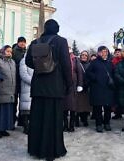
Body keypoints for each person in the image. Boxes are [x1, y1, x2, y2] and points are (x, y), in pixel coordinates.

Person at [25, 19, 73, 160]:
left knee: (37, 118)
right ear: (56, 29)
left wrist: (41, 67)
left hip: (38, 85)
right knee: (53, 119)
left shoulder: (35, 42)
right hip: (55, 85)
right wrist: (69, 83)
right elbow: (66, 64)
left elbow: (28, 61)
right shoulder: (61, 41)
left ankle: (35, 149)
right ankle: (52, 150)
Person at [86, 46, 115, 133]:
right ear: (98, 53)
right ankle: (98, 124)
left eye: (105, 51)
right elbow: (88, 73)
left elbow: (113, 74)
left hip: (108, 88)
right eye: (102, 51)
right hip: (97, 88)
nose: (104, 53)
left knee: (107, 107)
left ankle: (107, 123)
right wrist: (95, 78)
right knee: (98, 108)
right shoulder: (94, 62)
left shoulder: (110, 63)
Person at [63, 47, 83, 132]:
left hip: (73, 86)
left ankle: (71, 125)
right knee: (64, 108)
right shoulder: (61, 58)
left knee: (72, 107)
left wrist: (80, 84)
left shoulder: (75, 59)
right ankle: (65, 125)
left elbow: (79, 73)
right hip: (63, 86)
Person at [12, 36, 27, 127]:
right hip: (16, 77)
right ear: (18, 43)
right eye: (21, 42)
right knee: (14, 100)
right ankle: (12, 120)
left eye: (24, 42)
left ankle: (22, 120)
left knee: (23, 100)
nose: (22, 43)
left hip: (23, 80)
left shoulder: (26, 51)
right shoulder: (14, 51)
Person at [75, 50, 92, 127]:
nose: (84, 56)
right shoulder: (77, 64)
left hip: (87, 87)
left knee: (85, 105)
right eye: (82, 55)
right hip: (78, 87)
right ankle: (76, 120)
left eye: (85, 55)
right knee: (78, 105)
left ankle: (84, 119)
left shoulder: (90, 65)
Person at [19, 52, 34, 134]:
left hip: (34, 87)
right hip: (27, 87)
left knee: (32, 108)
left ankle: (31, 126)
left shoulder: (35, 60)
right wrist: (34, 82)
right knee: (26, 108)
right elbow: (23, 74)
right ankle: (26, 127)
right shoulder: (24, 60)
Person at [111, 48, 123, 120]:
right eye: (116, 52)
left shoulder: (123, 60)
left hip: (122, 81)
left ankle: (123, 112)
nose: (117, 53)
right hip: (115, 82)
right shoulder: (112, 61)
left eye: (119, 52)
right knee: (116, 98)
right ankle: (117, 113)